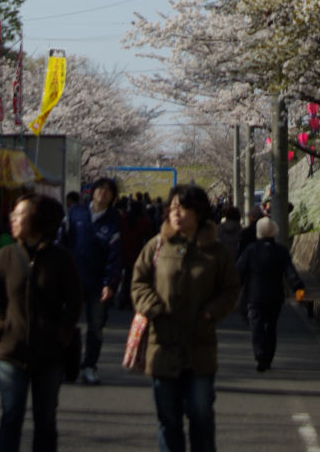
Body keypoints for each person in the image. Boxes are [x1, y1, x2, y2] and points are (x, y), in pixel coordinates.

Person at [131, 184, 239, 452]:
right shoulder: (156, 246)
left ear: (199, 212)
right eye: (173, 208)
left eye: (184, 208)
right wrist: (153, 307)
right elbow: (139, 282)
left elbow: (230, 289)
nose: (176, 213)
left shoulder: (216, 252)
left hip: (200, 346)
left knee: (201, 414)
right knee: (168, 419)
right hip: (162, 344)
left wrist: (211, 312)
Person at [0, 193, 82, 452]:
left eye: (20, 214)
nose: (13, 219)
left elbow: (74, 300)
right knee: (10, 418)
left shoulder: (61, 258)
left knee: (46, 421)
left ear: (38, 220)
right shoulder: (5, 255)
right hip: (11, 351)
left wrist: (63, 332)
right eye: (13, 214)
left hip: (49, 353)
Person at [55, 177, 122, 385]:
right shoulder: (76, 212)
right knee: (66, 323)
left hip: (97, 281)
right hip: (72, 278)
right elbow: (61, 240)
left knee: (96, 327)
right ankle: (66, 366)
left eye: (108, 190)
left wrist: (110, 283)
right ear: (92, 191)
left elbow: (115, 256)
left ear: (113, 197)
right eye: (100, 188)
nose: (103, 192)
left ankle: (90, 365)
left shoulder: (114, 221)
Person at [235, 216, 304, 372]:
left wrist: (233, 287)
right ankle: (268, 356)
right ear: (274, 231)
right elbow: (290, 271)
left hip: (255, 295)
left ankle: (260, 354)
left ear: (258, 232)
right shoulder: (281, 251)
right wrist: (298, 287)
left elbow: (239, 271)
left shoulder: (251, 249)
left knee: (256, 325)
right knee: (271, 327)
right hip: (275, 296)